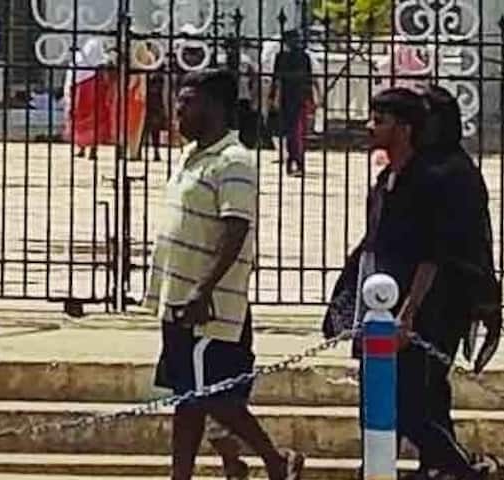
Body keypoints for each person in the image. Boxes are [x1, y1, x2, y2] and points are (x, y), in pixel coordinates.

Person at [147, 69, 303, 480]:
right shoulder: (190, 156)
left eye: (186, 103)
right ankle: (184, 474)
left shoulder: (234, 161)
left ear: (214, 107)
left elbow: (236, 229)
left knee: (216, 396)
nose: (177, 111)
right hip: (178, 299)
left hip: (211, 307)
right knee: (188, 396)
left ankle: (276, 459)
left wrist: (202, 290)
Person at [366, 86, 504, 480]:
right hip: (410, 296)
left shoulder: (451, 173)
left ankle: (462, 470)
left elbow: (460, 246)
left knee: (418, 394)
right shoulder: (405, 174)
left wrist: (485, 303)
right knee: (419, 394)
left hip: (445, 298)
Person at [274, 30, 314, 177]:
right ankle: (294, 161)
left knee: (295, 132)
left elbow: (308, 80)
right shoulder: (284, 57)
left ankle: (295, 161)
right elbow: (277, 79)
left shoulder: (303, 57)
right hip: (291, 96)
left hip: (296, 97)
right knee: (293, 132)